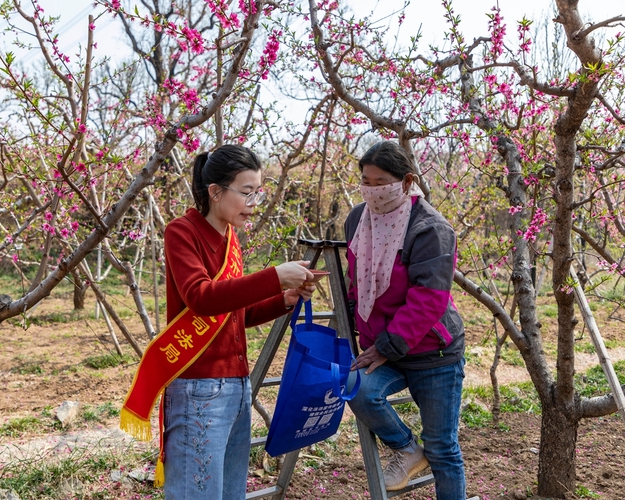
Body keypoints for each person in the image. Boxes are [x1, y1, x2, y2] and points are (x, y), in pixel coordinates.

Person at [121, 144, 314, 499]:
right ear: (215, 191)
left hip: (236, 386)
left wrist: (281, 300)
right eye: (246, 192)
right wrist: (274, 277)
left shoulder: (230, 238)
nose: (254, 202)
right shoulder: (182, 232)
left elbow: (233, 316)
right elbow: (202, 298)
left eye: (258, 191)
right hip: (200, 390)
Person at [344, 141, 466, 499]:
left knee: (443, 448)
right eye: (365, 180)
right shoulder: (357, 218)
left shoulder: (430, 228)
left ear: (406, 181)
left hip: (433, 352)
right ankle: (407, 448)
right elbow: (357, 282)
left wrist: (384, 347)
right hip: (385, 347)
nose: (372, 190)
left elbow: (428, 300)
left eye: (380, 182)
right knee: (357, 387)